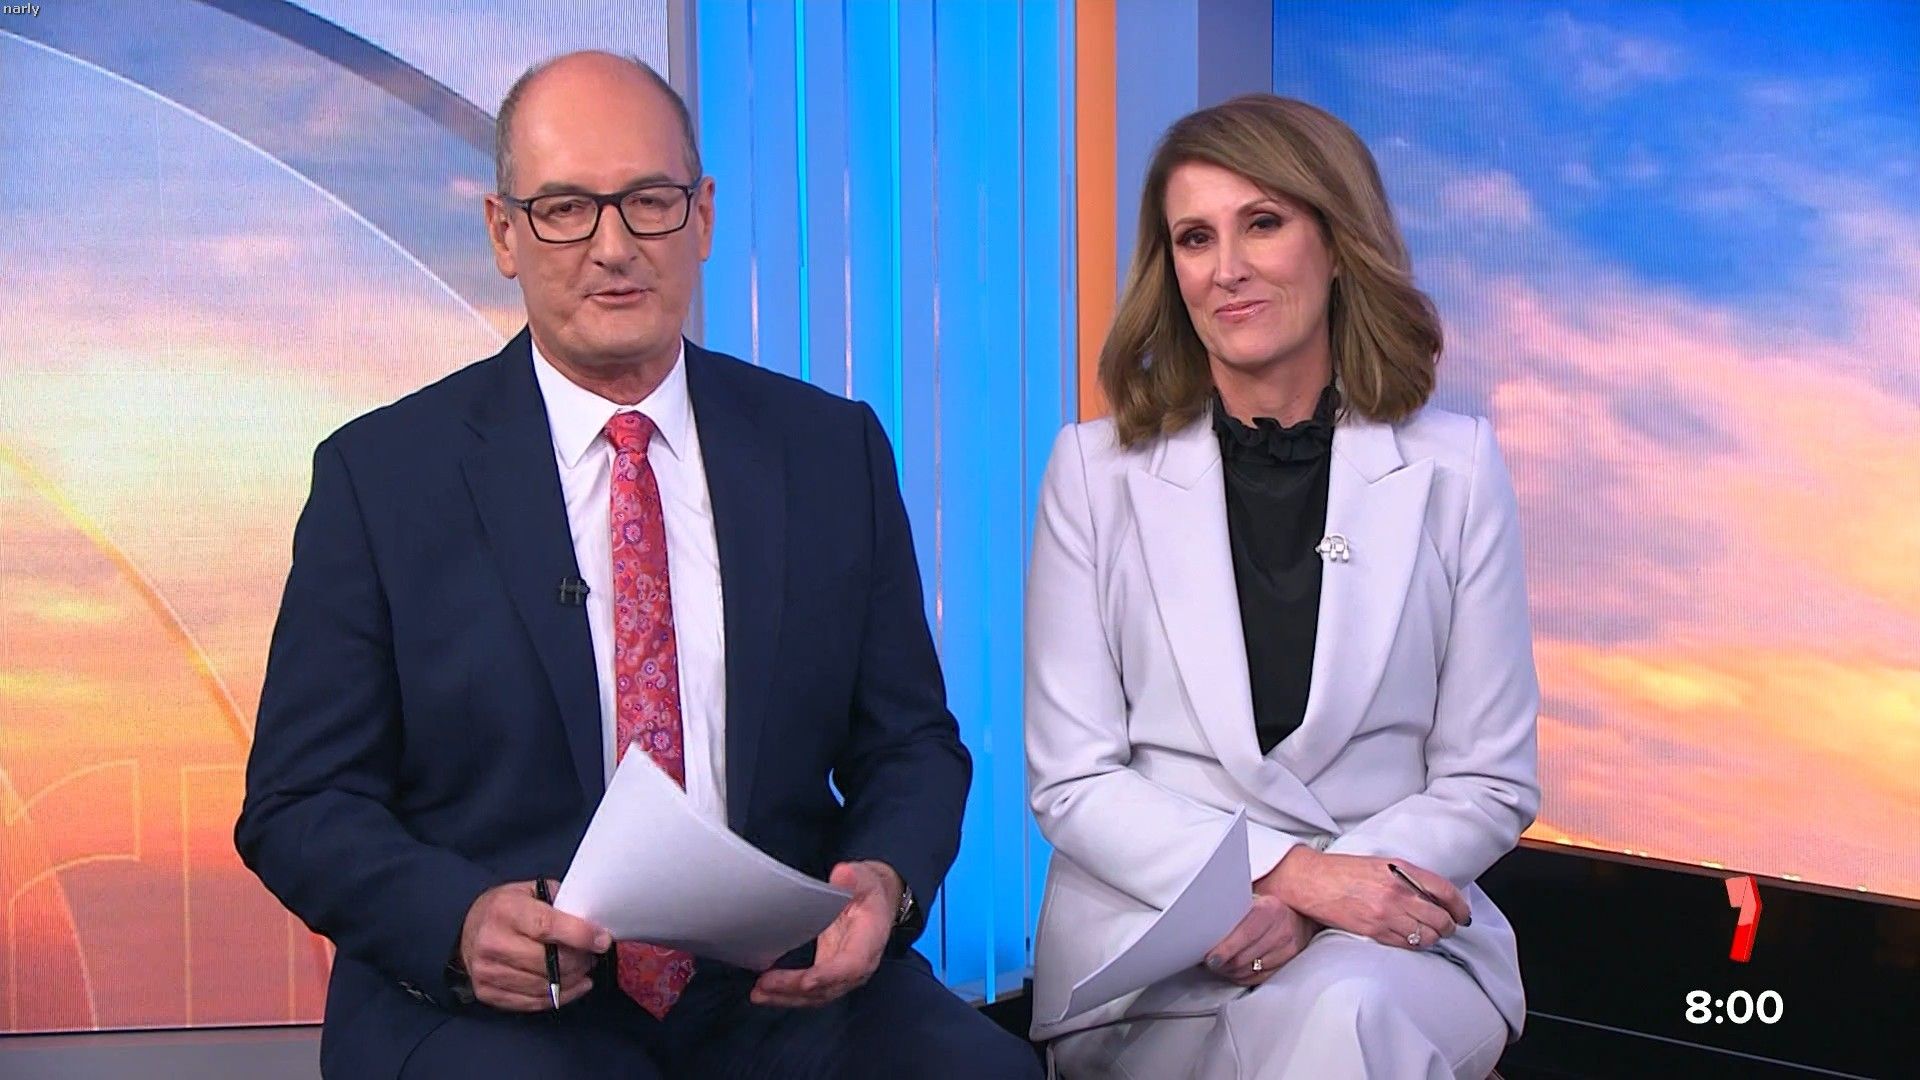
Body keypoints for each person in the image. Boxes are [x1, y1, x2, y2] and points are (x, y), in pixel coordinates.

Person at [236, 51, 1040, 1080]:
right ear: (503, 233)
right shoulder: (383, 477)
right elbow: (299, 801)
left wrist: (885, 884)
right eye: (566, 209)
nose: (613, 247)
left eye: (650, 202)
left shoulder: (830, 451)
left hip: (774, 989)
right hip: (510, 1008)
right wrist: (457, 922)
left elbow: (912, 744)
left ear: (702, 216)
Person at [1024, 94, 1540, 1079]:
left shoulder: (1457, 469)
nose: (1226, 268)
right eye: (1194, 238)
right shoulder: (1092, 474)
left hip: (1388, 937)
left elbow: (1488, 777)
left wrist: (1333, 900)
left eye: (1262, 223)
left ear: (1338, 243)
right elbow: (1073, 779)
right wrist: (1292, 876)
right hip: (1156, 950)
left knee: (1346, 1017)